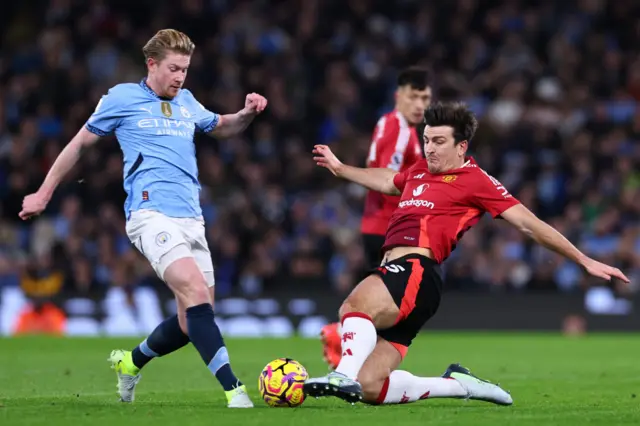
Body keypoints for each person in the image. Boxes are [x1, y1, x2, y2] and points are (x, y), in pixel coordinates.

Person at [304, 102, 629, 406]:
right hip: (412, 284)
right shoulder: (419, 170)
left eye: (439, 141)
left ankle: (340, 375)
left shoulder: (475, 180)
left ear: (461, 146)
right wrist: (341, 168)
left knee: (354, 306)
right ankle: (458, 384)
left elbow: (530, 225)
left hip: (416, 269)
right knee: (371, 386)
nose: (429, 147)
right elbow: (389, 181)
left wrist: (583, 260)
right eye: (427, 139)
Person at [18, 29, 268, 408]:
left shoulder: (187, 101)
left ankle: (131, 362)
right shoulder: (122, 98)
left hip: (191, 219)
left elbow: (223, 127)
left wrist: (247, 113)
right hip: (149, 215)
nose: (180, 77)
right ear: (151, 64)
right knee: (197, 295)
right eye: (173, 69)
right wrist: (44, 192)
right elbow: (79, 143)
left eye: (184, 69)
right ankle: (236, 391)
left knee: (192, 321)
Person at [321, 67, 432, 369]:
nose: (420, 104)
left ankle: (351, 353)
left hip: (381, 226)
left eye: (425, 98)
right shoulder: (398, 130)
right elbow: (387, 179)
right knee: (393, 303)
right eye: (414, 96)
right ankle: (342, 342)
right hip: (388, 228)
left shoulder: (392, 126)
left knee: (385, 300)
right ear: (399, 96)